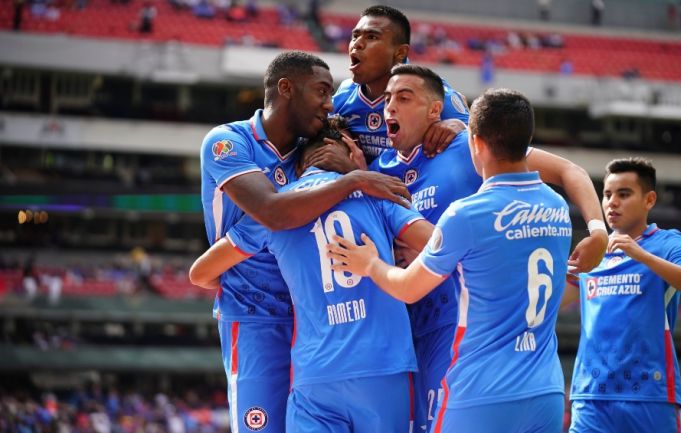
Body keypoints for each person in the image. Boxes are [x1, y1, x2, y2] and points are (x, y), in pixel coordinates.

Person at [369, 65, 608, 433]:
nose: (390, 107)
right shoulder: (556, 208)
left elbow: (570, 171)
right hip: (534, 382)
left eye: (403, 98)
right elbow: (564, 283)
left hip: (469, 364)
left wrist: (372, 261)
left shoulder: (465, 185)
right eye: (387, 99)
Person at [328, 89, 574, 433]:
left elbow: (409, 288)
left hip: (479, 391)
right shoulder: (557, 207)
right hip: (544, 390)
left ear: (475, 143)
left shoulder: (467, 214)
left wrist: (369, 263)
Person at [198, 51, 409, 433]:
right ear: (286, 88)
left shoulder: (306, 154)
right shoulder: (227, 141)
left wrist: (455, 125)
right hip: (254, 317)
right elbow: (272, 212)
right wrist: (356, 180)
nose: (330, 104)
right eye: (322, 92)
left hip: (309, 319)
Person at [564, 157, 681, 433]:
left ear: (649, 200)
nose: (612, 202)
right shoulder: (595, 251)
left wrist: (641, 255)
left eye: (624, 194)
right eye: (607, 194)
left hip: (649, 396)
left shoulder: (668, 242)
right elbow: (550, 303)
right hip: (590, 397)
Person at [331, 5, 469, 162]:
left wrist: (460, 126)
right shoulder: (344, 94)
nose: (357, 44)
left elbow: (480, 141)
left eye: (371, 37)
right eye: (355, 36)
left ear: (400, 52)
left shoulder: (436, 95)